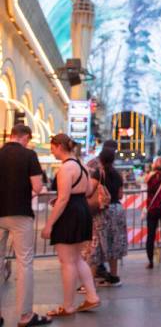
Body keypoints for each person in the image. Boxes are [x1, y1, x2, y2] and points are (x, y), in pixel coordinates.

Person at [41, 134, 100, 317]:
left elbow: (65, 198)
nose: (51, 151)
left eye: (52, 147)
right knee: (76, 259)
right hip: (82, 210)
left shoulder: (66, 168)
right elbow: (89, 191)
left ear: (59, 146)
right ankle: (91, 296)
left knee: (67, 262)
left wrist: (49, 225)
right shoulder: (82, 165)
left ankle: (68, 306)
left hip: (69, 214)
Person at [0, 124, 52, 327]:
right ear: (25, 137)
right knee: (25, 263)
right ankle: (25, 316)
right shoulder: (29, 155)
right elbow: (38, 187)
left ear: (11, 135)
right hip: (20, 214)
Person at [89, 148, 127, 287]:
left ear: (100, 159)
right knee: (114, 242)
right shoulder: (118, 174)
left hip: (102, 211)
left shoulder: (98, 173)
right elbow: (120, 195)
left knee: (97, 243)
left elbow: (89, 190)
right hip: (117, 210)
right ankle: (114, 276)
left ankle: (90, 281)